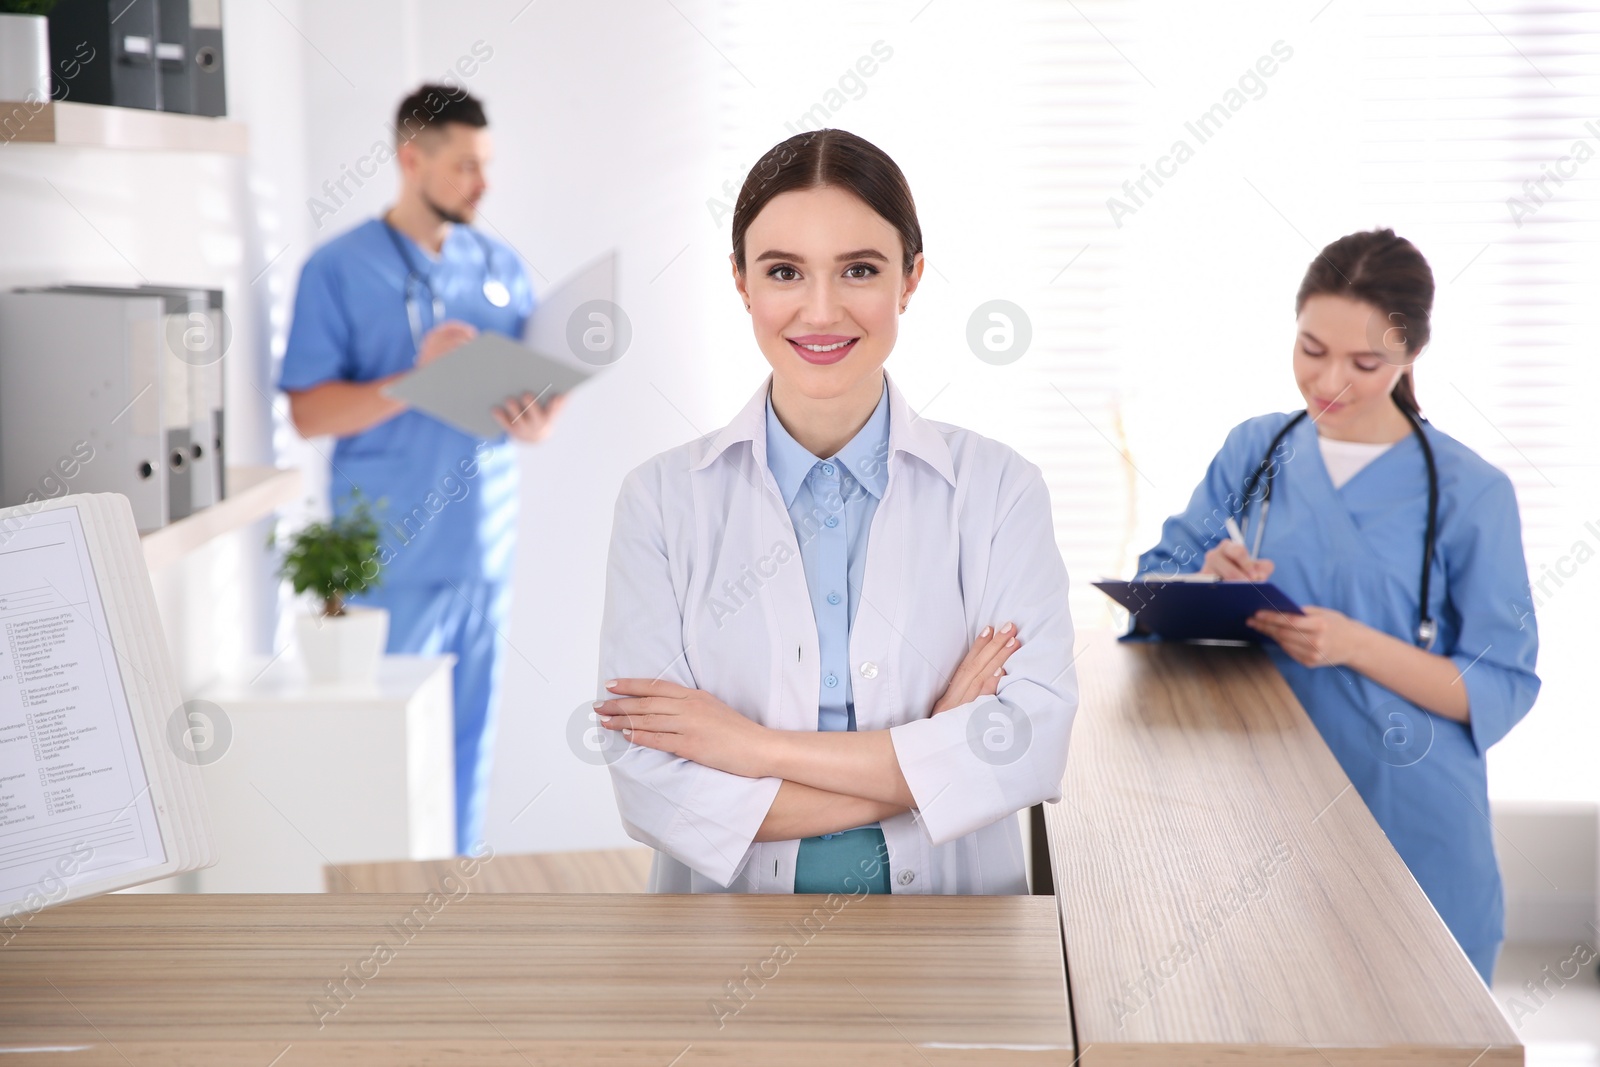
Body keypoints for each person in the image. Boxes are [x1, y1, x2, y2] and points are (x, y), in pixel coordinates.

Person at [593, 129, 1078, 895]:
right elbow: (652, 785)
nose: (820, 312)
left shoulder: (999, 490)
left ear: (910, 279)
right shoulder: (660, 501)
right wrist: (930, 751)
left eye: (859, 269)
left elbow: (1026, 744)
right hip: (726, 953)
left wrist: (747, 746)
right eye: (785, 271)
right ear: (742, 282)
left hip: (954, 944)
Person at [1134, 229, 1540, 982]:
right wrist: (1207, 581)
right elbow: (1154, 588)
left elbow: (1500, 685)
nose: (1330, 383)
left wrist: (1353, 643)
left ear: (1411, 355)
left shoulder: (1471, 491)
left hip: (1411, 815)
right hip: (1257, 812)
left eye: (1365, 363)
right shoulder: (1255, 449)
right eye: (1311, 349)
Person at [279, 84, 566, 853]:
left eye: (487, 165)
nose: (484, 184)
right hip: (388, 561)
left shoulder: (501, 266)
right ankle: (379, 928)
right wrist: (411, 382)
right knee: (387, 762)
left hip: (482, 553)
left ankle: (458, 922)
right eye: (467, 165)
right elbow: (308, 413)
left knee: (468, 753)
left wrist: (538, 419)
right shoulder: (337, 269)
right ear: (412, 159)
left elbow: (534, 403)